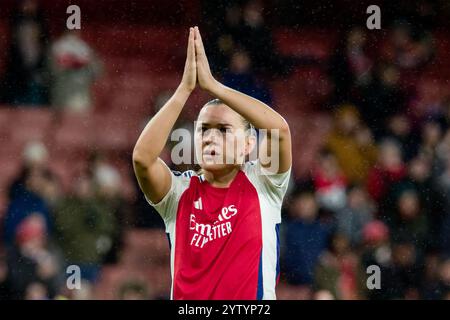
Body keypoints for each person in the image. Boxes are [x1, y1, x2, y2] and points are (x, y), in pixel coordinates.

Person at [132, 27, 292, 300]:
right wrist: (184, 90)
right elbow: (142, 159)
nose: (210, 138)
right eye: (204, 130)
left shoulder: (264, 182)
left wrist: (215, 86)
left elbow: (279, 130)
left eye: (223, 130)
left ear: (248, 145)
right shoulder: (178, 193)